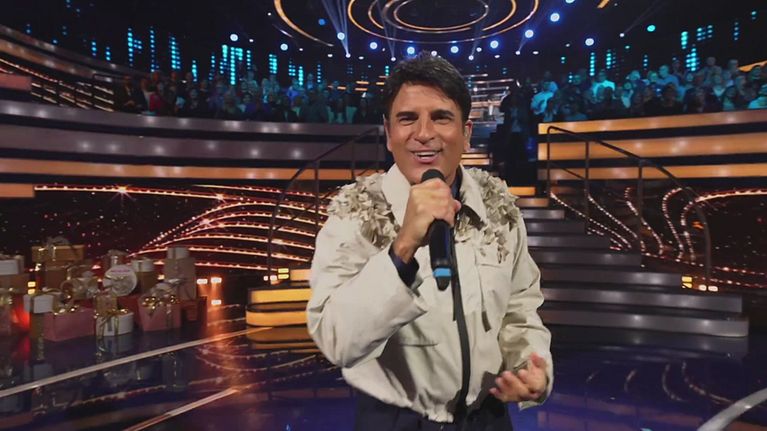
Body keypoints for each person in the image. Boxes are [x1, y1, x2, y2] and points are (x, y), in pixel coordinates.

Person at [307, 52, 553, 431]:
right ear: (388, 132)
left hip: (489, 420)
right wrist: (402, 248)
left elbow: (520, 310)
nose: (424, 133)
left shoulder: (499, 208)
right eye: (407, 118)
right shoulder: (354, 214)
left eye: (441, 117)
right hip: (397, 422)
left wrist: (531, 365)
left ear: (466, 132)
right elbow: (337, 341)